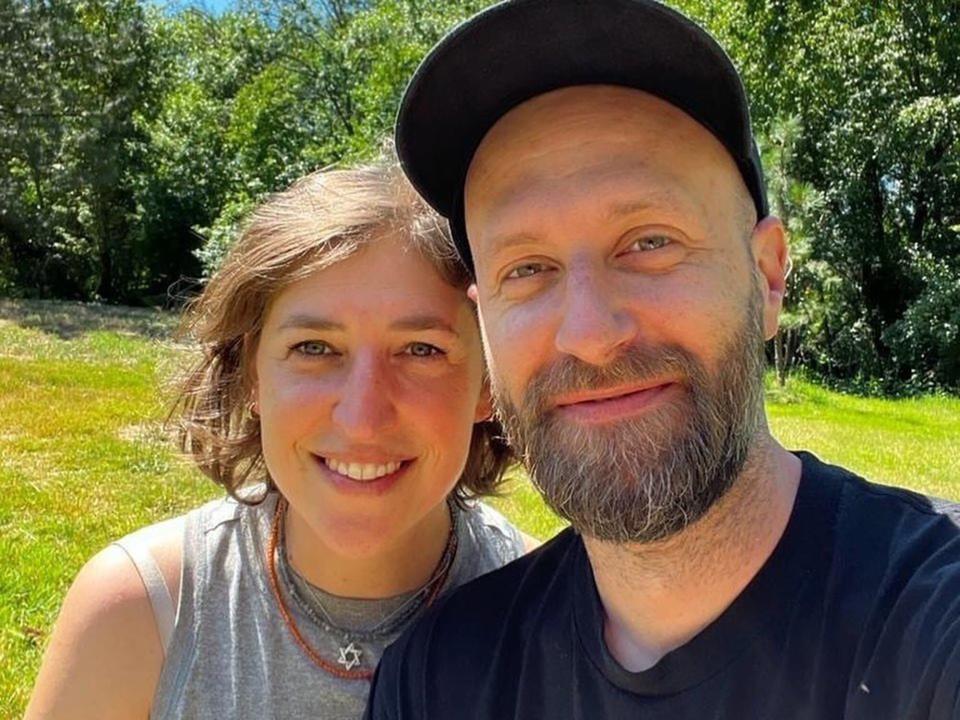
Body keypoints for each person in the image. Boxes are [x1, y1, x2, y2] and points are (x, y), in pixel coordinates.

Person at [365, 1, 960, 718]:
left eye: (649, 242)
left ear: (768, 278)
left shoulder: (932, 625)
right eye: (526, 269)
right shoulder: (437, 681)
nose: (588, 333)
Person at [25, 154, 532, 720]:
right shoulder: (140, 616)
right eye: (314, 348)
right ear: (251, 377)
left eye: (421, 351)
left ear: (489, 382)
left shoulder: (553, 623)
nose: (363, 418)